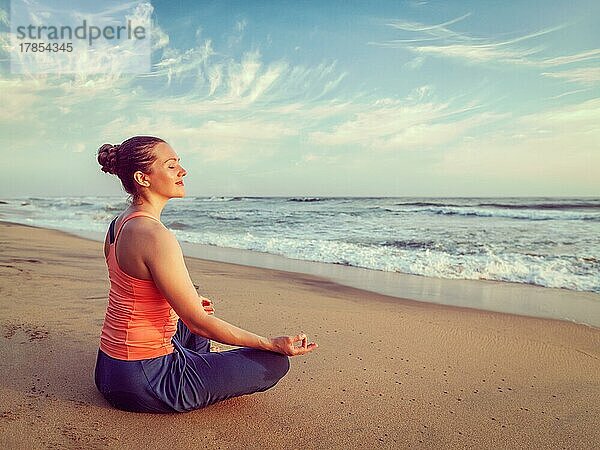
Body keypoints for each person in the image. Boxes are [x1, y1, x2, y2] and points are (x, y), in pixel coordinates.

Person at [94, 135, 317, 413]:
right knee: (274, 362)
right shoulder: (155, 235)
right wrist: (269, 343)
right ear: (143, 177)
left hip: (109, 369)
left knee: (193, 315)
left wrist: (184, 306)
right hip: (145, 382)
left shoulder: (119, 224)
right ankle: (196, 373)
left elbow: (132, 292)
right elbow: (199, 324)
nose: (182, 171)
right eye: (171, 165)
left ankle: (199, 366)